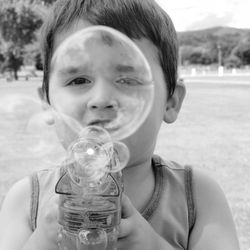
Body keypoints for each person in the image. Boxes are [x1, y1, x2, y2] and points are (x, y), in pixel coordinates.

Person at [0, 0, 240, 249]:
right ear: (48, 103)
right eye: (78, 80)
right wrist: (43, 241)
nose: (101, 99)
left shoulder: (200, 197)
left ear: (171, 101)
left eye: (127, 79)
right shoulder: (26, 199)